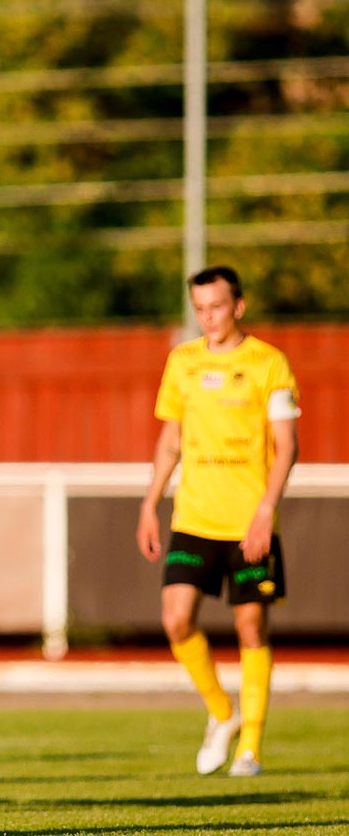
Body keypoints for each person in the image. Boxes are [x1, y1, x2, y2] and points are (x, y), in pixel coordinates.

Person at [136, 266, 299, 778]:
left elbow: (288, 447)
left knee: (250, 624)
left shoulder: (269, 364)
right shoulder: (182, 362)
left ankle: (250, 746)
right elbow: (170, 440)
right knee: (175, 619)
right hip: (195, 517)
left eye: (217, 307)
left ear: (239, 306)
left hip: (249, 520)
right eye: (200, 308)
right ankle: (223, 714)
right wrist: (149, 503)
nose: (208, 317)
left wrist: (265, 512)